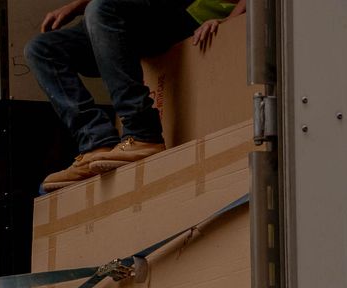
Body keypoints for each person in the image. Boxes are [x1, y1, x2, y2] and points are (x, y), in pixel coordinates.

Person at [27, 0, 247, 192]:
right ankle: (96, 143)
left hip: (187, 14)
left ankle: (143, 133)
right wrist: (77, 5)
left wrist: (229, 20)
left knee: (101, 9)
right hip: (138, 15)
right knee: (42, 49)